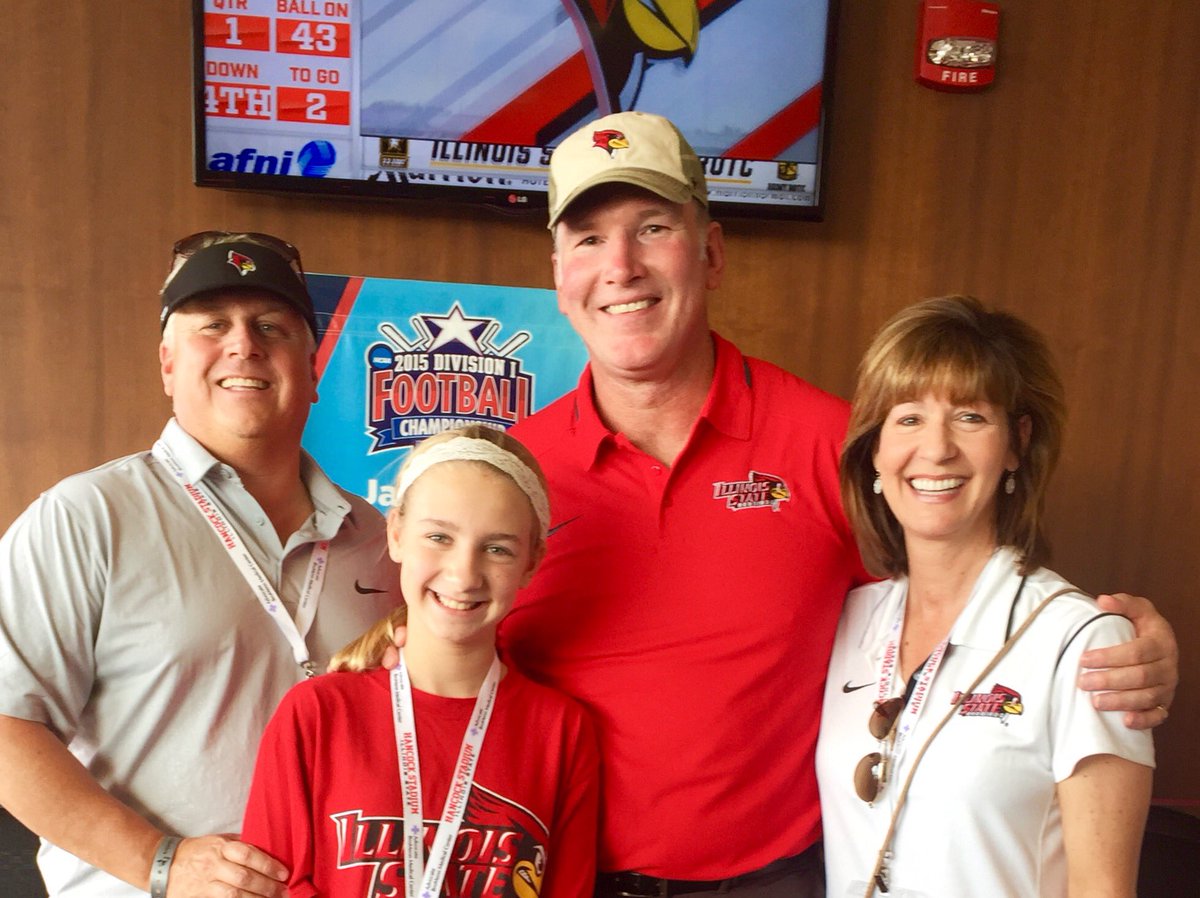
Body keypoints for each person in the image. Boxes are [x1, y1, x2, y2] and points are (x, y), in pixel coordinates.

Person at [364, 111, 1177, 895]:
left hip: (777, 882)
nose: (621, 266)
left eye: (653, 228)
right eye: (588, 239)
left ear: (711, 253)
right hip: (550, 876)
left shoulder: (831, 444)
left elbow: (961, 603)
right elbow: (438, 644)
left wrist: (1106, 652)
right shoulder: (510, 477)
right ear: (559, 276)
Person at [0, 232, 401, 898]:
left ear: (314, 367)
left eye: (271, 326)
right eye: (213, 327)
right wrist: (163, 863)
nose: (244, 345)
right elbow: (7, 728)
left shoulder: (384, 540)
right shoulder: (85, 518)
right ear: (167, 365)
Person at [816, 296, 1154, 897]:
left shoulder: (1083, 643)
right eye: (908, 417)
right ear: (875, 450)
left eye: (970, 417)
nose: (937, 448)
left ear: (1017, 444)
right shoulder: (848, 621)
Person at [241, 425, 600, 898]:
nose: (464, 574)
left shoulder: (561, 732)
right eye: (439, 537)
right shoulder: (317, 714)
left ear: (531, 563)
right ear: (396, 535)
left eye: (497, 548)